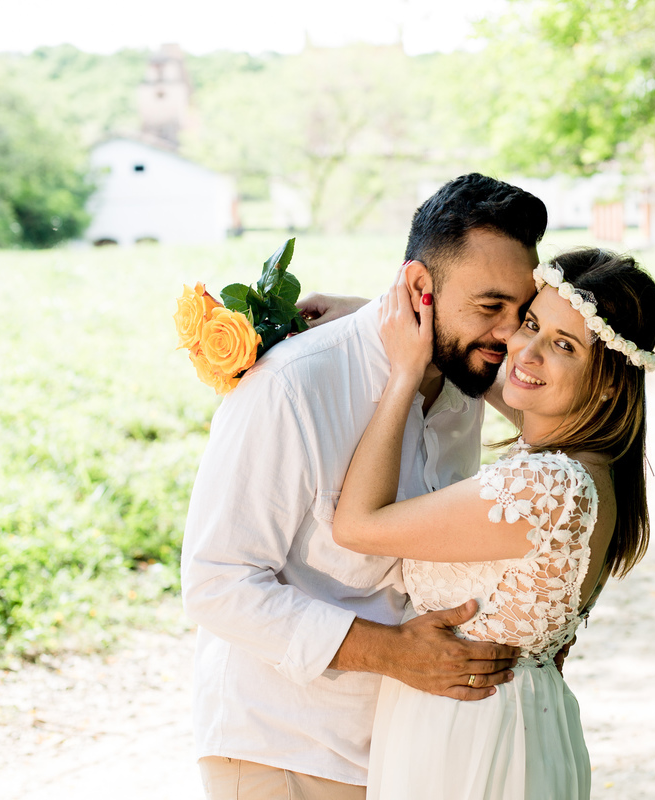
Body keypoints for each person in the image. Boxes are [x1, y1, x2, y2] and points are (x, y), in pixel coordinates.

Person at [180, 173, 548, 800]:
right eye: (490, 308)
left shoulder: (462, 380)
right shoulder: (293, 386)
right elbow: (216, 583)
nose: (509, 335)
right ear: (420, 288)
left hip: (406, 750)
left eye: (522, 311)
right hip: (284, 747)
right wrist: (393, 653)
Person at [331, 247, 655, 799]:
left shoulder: (546, 487)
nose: (526, 352)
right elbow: (489, 372)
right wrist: (373, 315)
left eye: (564, 345)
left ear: (609, 381)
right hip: (506, 718)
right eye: (531, 324)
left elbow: (357, 525)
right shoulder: (592, 461)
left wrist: (404, 374)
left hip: (472, 735)